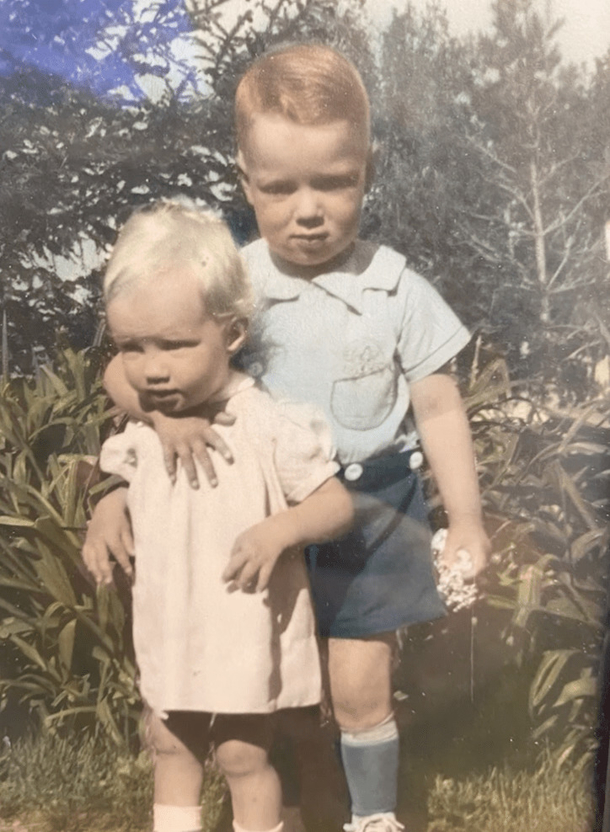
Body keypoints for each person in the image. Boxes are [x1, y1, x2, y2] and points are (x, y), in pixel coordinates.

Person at [88, 44, 491, 832]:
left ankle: (374, 815)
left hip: (372, 507)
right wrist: (165, 416)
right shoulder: (232, 284)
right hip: (261, 506)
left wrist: (466, 520)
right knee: (283, 687)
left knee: (359, 679)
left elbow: (440, 407)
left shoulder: (396, 287)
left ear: (366, 171)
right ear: (247, 183)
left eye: (333, 182)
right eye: (280, 188)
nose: (308, 210)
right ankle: (302, 809)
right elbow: (123, 372)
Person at [83, 199, 354, 832]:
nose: (152, 367)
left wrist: (281, 528)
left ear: (230, 334)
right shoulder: (152, 422)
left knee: (241, 753)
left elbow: (335, 503)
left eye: (174, 345)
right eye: (132, 347)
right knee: (169, 744)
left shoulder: (264, 422)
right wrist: (106, 509)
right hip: (172, 628)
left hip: (239, 631)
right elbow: (119, 478)